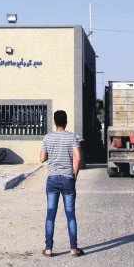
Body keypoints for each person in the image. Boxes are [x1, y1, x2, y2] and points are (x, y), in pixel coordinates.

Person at [39, 109, 83, 257]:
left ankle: (48, 249)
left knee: (50, 214)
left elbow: (42, 158)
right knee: (70, 214)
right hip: (67, 178)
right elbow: (78, 157)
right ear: (66, 122)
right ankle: (73, 249)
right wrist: (74, 175)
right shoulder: (72, 137)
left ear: (54, 122)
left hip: (52, 179)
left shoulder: (47, 137)